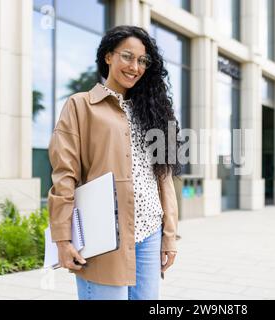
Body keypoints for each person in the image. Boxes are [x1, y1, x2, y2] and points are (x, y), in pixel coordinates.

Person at [47, 25, 181, 300]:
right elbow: (65, 174)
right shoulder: (80, 105)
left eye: (142, 61)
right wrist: (62, 237)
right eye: (127, 56)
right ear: (108, 56)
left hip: (149, 233)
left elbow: (163, 177)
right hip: (104, 233)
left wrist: (169, 235)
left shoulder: (153, 113)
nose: (135, 67)